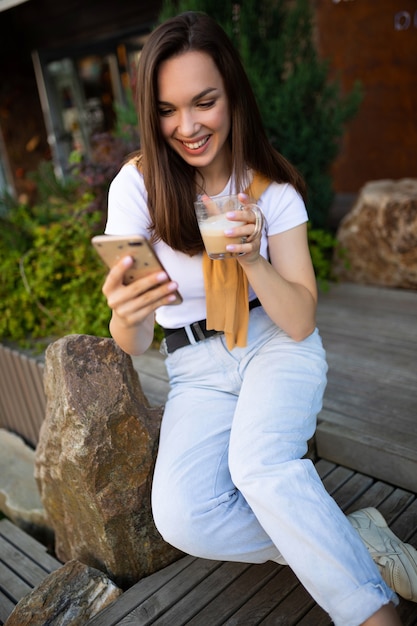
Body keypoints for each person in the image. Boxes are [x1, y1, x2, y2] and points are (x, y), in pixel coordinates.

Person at [101, 12, 417, 625]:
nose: (187, 127)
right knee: (184, 516)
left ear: (233, 96)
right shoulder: (136, 187)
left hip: (275, 345)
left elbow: (300, 322)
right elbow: (134, 340)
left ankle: (374, 612)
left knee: (260, 465)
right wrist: (124, 313)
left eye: (204, 102)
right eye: (167, 110)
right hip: (193, 365)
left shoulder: (274, 192)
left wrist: (253, 260)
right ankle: (356, 544)